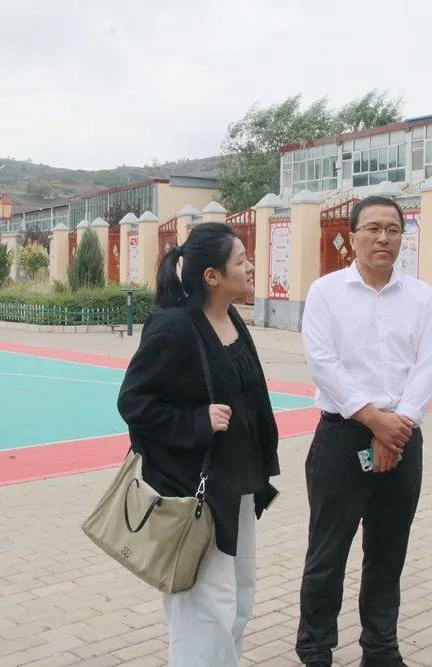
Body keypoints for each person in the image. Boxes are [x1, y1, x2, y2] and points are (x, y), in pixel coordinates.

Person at [117, 222, 280, 667]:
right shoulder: (175, 327)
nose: (250, 267)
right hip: (194, 495)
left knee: (238, 600)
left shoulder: (230, 319)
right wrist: (196, 421)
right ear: (212, 276)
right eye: (241, 261)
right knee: (204, 611)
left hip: (237, 487)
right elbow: (134, 402)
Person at [296, 195, 432, 667]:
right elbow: (323, 363)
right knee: (328, 551)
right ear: (352, 236)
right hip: (342, 438)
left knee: (387, 551)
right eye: (373, 229)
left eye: (393, 230)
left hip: (403, 437)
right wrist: (374, 420)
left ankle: (380, 649)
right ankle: (316, 648)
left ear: (403, 237)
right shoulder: (325, 292)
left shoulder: (421, 298)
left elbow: (427, 365)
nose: (383, 238)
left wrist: (396, 428)